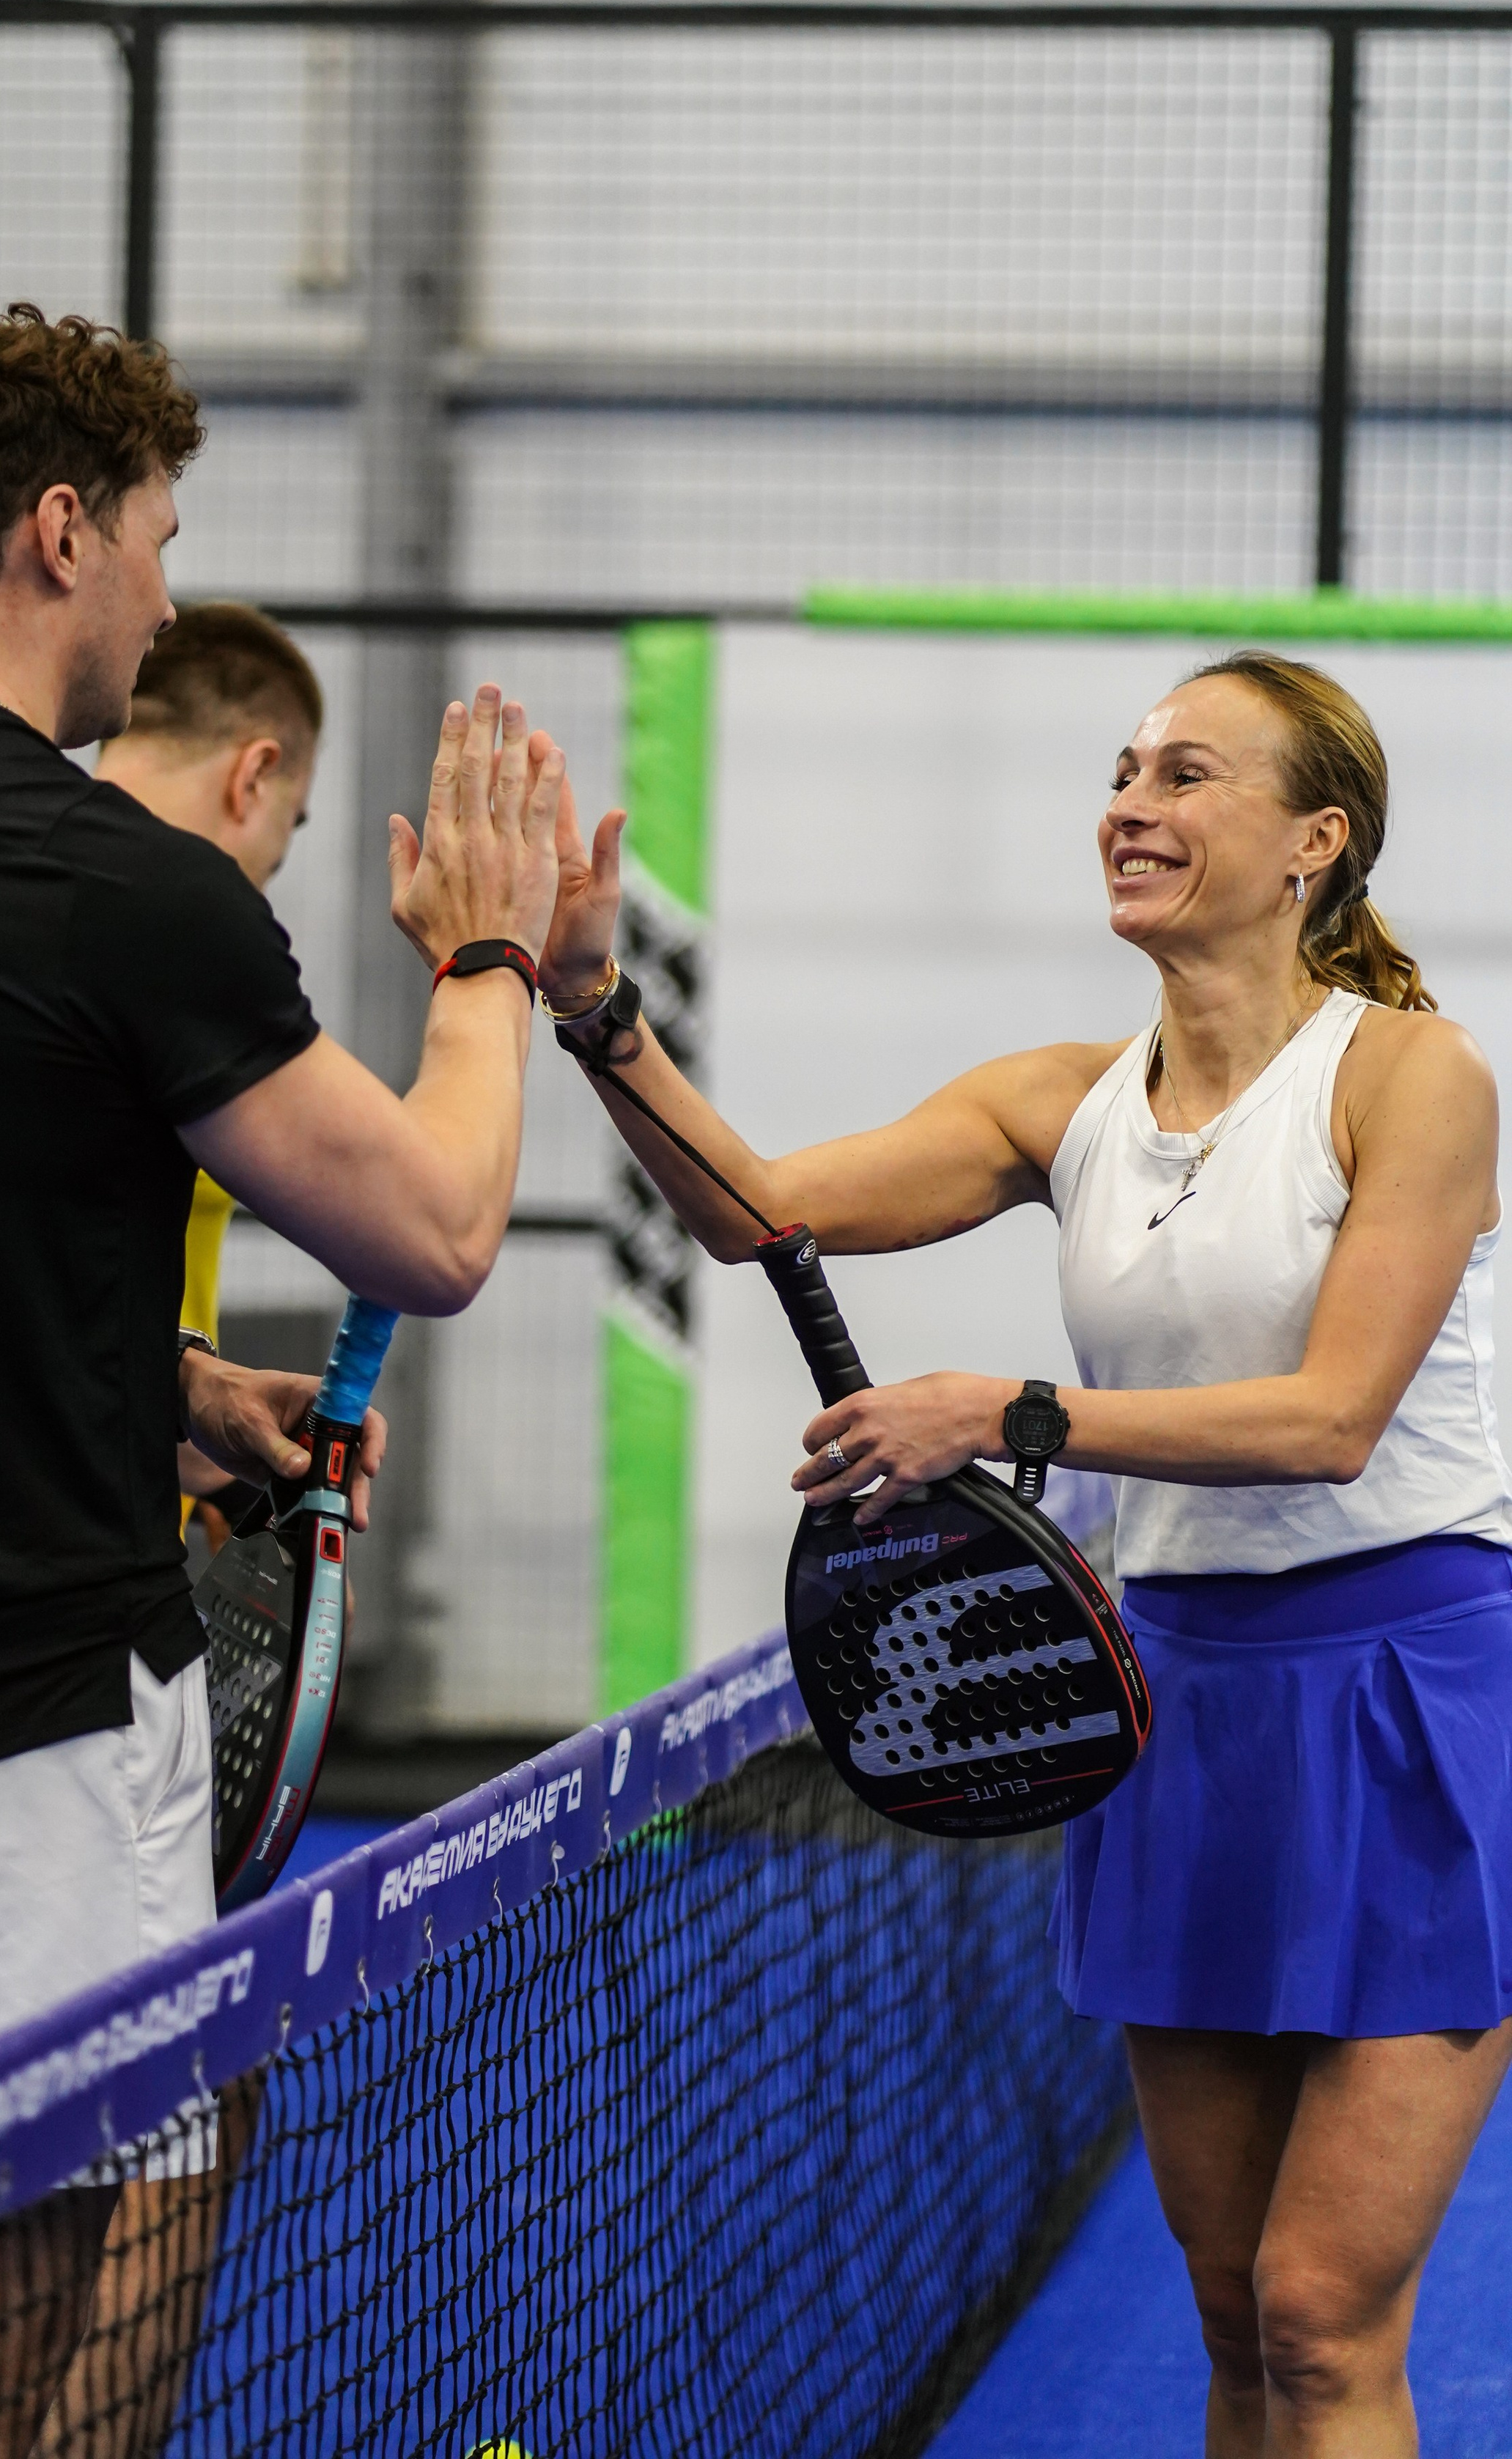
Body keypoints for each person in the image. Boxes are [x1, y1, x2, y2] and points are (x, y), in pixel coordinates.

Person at [0, 303, 564, 2458]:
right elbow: (431, 1227)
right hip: (14, 1717)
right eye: (157, 532)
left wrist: (153, 1382)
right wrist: (492, 965)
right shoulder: (116, 889)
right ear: (61, 531)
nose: (164, 589)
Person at [537, 648, 1512, 2458]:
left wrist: (1007, 1412)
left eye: (1185, 777)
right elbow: (758, 1211)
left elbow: (1326, 1422)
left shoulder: (1411, 1079)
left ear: (1314, 839)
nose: (1128, 804)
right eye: (1123, 768)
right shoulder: (1056, 1098)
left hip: (1410, 1706)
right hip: (1173, 1711)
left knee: (1317, 2314)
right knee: (1229, 2315)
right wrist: (599, 1019)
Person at [94, 599, 329, 1557]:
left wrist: (217, 1467)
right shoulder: (182, 947)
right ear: (256, 775)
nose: (276, 862)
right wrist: (489, 960)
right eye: (294, 823)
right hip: (67, 1584)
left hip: (131, 1507)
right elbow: (438, 1241)